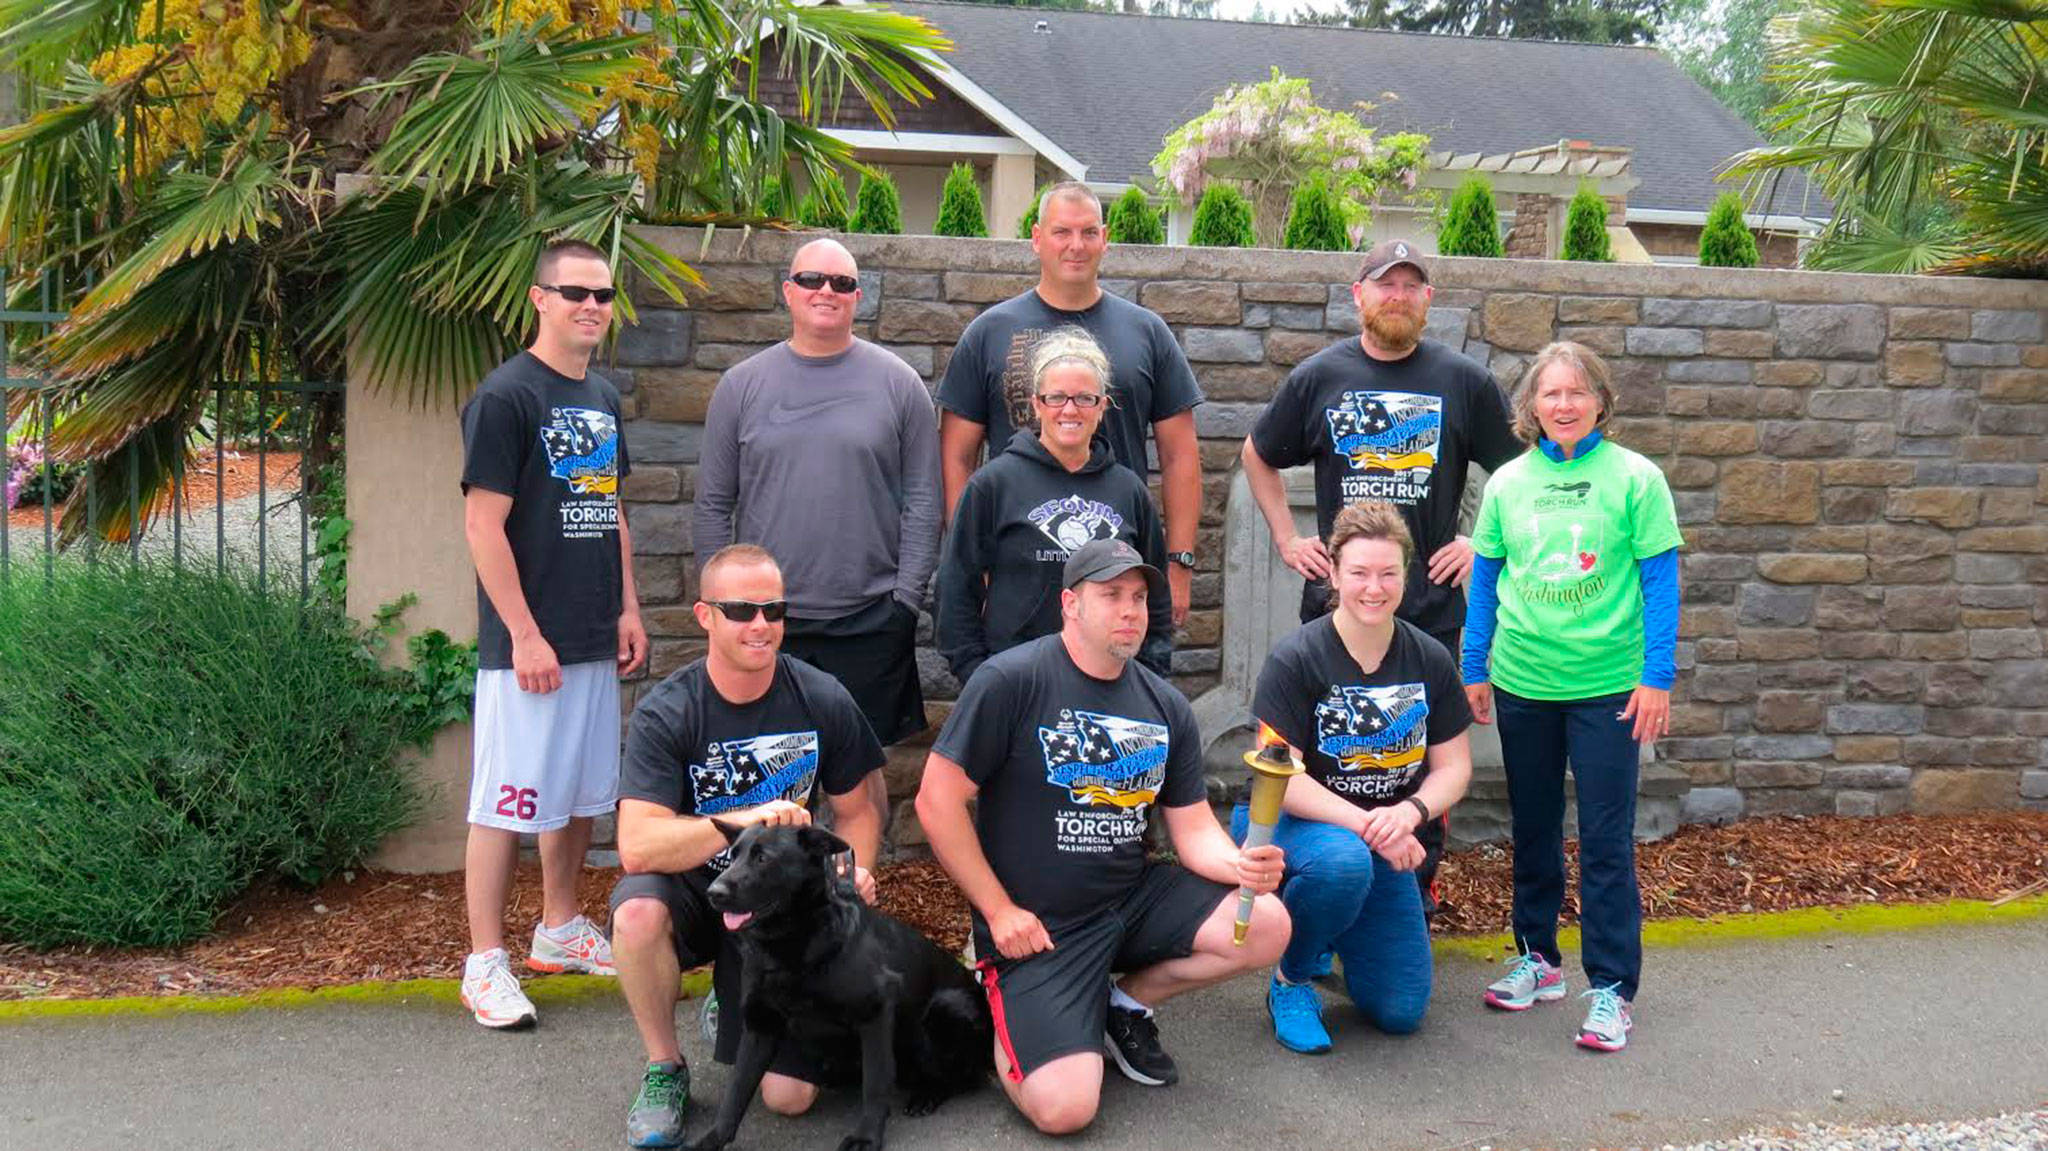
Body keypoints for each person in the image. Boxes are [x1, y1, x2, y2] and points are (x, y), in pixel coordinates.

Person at [915, 538, 1289, 1136]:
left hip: (1130, 899)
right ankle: (1018, 1006)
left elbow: (1194, 829)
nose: (1130, 611)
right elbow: (936, 801)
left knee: (1267, 923)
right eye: (1111, 595)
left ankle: (1123, 1003)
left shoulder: (1165, 704)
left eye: (1138, 598)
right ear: (1070, 604)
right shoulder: (1012, 680)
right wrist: (999, 911)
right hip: (1041, 926)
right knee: (1064, 1109)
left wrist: (1241, 866)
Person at [1239, 238, 1519, 910]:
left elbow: (1522, 471)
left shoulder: (1464, 381)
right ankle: (1327, 881)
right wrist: (1286, 538)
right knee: (1333, 748)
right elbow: (1257, 453)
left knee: (1417, 754)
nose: (1397, 296)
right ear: (1358, 294)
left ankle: (1411, 892)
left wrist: (1483, 543)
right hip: (1338, 610)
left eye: (1410, 286)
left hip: (1429, 608)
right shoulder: (1319, 377)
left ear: (1428, 299)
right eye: (1385, 284)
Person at [609, 544, 886, 1148]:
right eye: (741, 610)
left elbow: (860, 810)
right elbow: (637, 846)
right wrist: (741, 818)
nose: (760, 625)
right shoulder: (669, 710)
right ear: (705, 616)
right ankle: (665, 1068)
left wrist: (852, 872)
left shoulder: (821, 696)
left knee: (790, 1098)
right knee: (635, 914)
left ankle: (728, 999)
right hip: (698, 888)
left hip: (777, 907)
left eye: (773, 609)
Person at [1461, 341, 1682, 1054]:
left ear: (1600, 402)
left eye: (1577, 392)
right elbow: (1485, 581)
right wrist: (1473, 667)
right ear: (1532, 405)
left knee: (1607, 840)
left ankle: (1613, 988)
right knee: (1533, 826)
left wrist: (1657, 677)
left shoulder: (1636, 479)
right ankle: (1539, 959)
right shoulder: (1508, 483)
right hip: (1523, 681)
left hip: (1608, 688)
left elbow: (1661, 585)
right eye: (1550, 393)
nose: (1563, 404)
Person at [457, 237, 647, 1030]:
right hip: (527, 648)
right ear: (540, 299)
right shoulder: (505, 397)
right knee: (507, 800)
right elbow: (483, 525)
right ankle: (483, 962)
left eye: (602, 294)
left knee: (576, 791)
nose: (591, 306)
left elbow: (611, 509)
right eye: (575, 292)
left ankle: (560, 926)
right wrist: (524, 634)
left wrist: (628, 607)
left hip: (591, 633)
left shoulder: (600, 395)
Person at [1232, 501, 1473, 1055]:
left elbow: (1455, 767)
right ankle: (1292, 978)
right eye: (1359, 573)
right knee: (1343, 863)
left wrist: (1409, 813)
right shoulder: (1296, 658)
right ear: (1335, 576)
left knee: (1400, 1010)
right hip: (1289, 824)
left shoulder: (1429, 658)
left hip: (1379, 833)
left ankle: (1331, 925)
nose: (1374, 588)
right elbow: (1281, 777)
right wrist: (1373, 828)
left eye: (1388, 573)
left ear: (1406, 577)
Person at [694, 238, 942, 749]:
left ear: (858, 297)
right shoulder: (740, 386)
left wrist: (905, 602)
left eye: (842, 283)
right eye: (812, 280)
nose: (826, 291)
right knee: (770, 764)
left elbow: (924, 501)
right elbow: (714, 503)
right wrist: (723, 605)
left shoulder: (900, 385)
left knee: (865, 769)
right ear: (789, 291)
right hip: (765, 618)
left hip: (870, 616)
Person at [938, 181, 1204, 625]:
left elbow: (1180, 455)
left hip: (1116, 572)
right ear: (1037, 238)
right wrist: (970, 561)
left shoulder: (1147, 332)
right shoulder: (988, 332)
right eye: (1062, 232)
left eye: (1088, 232)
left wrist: (1179, 564)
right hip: (1014, 573)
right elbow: (956, 456)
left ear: (1105, 239)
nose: (1076, 246)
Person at [935, 327, 1171, 685]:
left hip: (1109, 681)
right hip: (1016, 681)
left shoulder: (1130, 490)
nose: (1070, 410)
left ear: (1102, 406)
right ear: (1037, 404)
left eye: (1085, 398)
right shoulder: (994, 484)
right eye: (1057, 397)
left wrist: (1147, 677)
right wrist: (979, 676)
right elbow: (956, 588)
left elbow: (1157, 598)